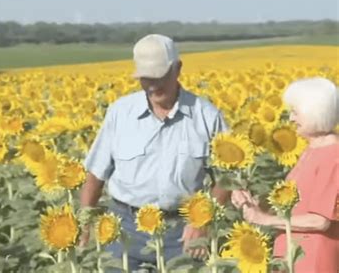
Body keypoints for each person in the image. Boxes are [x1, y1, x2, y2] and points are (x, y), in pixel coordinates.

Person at [79, 34, 230, 271]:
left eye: (160, 77)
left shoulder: (206, 115)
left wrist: (202, 220)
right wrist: (85, 221)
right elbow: (96, 173)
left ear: (178, 69)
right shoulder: (121, 113)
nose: (153, 85)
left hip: (182, 232)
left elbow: (226, 178)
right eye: (146, 78)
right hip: (124, 228)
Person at [232, 77, 339, 273]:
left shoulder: (333, 156)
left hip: (313, 261)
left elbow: (320, 220)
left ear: (315, 113)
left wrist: (265, 219)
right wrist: (255, 205)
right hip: (292, 258)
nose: (290, 119)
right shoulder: (312, 150)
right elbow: (297, 206)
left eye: (296, 113)